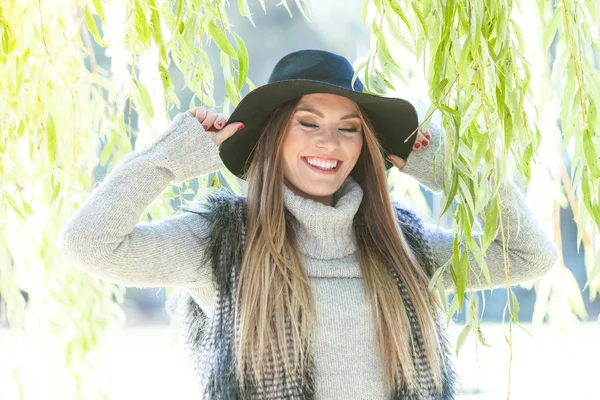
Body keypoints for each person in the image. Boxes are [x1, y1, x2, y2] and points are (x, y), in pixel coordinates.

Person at [58, 49, 559, 399]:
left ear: (365, 147)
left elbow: (530, 256)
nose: (330, 143)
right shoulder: (220, 245)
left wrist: (450, 168)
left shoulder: (405, 249)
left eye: (349, 129)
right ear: (274, 135)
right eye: (308, 122)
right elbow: (89, 243)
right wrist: (172, 156)